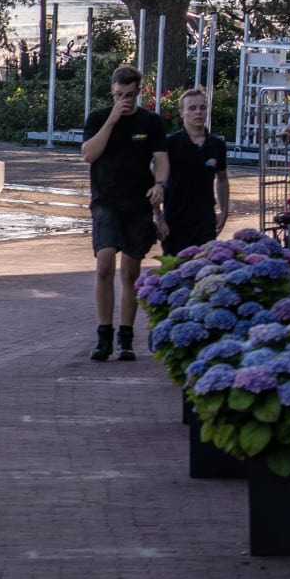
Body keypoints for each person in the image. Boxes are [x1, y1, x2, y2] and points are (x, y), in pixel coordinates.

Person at [80, 65, 170, 361]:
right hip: (106, 201)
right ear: (112, 91)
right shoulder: (97, 119)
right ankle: (103, 334)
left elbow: (161, 159)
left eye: (130, 95)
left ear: (139, 92)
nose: (125, 100)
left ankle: (126, 337)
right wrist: (112, 119)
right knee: (104, 263)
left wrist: (159, 184)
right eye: (119, 95)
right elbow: (89, 155)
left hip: (138, 204)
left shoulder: (152, 123)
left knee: (130, 271)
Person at [162, 87, 229, 256]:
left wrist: (224, 210)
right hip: (175, 219)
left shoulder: (216, 145)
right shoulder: (170, 144)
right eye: (192, 108)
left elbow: (222, 179)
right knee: (174, 272)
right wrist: (157, 215)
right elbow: (154, 179)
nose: (198, 112)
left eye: (202, 107)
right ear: (182, 113)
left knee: (203, 268)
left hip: (205, 219)